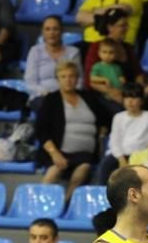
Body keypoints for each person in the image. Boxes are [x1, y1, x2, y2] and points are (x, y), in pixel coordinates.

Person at [36, 60, 112, 203]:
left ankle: (67, 201)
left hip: (85, 154)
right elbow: (41, 131)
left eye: (71, 76)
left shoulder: (89, 97)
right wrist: (55, 153)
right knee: (54, 170)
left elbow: (107, 118)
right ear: (57, 79)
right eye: (63, 76)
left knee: (83, 168)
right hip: (58, 151)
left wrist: (102, 132)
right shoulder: (51, 100)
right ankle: (39, 203)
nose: (68, 80)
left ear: (77, 78)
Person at [96, 83, 148, 185]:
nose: (130, 101)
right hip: (120, 154)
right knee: (106, 164)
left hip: (140, 155)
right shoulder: (118, 117)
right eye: (127, 97)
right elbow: (114, 141)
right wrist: (121, 159)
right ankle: (102, 193)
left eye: (134, 97)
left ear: (141, 100)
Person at [83, 9, 144, 111]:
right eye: (122, 25)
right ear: (110, 27)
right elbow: (89, 80)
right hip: (105, 95)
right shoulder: (96, 46)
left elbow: (138, 73)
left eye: (126, 25)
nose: (126, 28)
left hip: (129, 93)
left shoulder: (128, 48)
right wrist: (112, 92)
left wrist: (140, 91)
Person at [24, 15, 82, 109]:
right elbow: (30, 83)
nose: (51, 33)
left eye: (55, 29)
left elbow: (79, 81)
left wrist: (68, 94)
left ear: (61, 31)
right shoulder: (35, 51)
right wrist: (47, 93)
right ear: (42, 32)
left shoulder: (73, 52)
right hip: (41, 96)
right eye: (47, 29)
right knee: (49, 106)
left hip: (68, 96)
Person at [75, 0, 143, 47]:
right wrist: (106, 16)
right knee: (70, 53)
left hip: (117, 45)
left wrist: (92, 12)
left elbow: (119, 12)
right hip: (90, 43)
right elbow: (79, 17)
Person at [90, 38, 128, 107]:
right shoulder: (97, 66)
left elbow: (120, 76)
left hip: (119, 91)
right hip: (106, 95)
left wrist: (122, 79)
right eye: (104, 52)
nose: (107, 55)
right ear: (99, 53)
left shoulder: (117, 67)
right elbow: (92, 78)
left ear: (116, 54)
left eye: (111, 52)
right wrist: (103, 79)